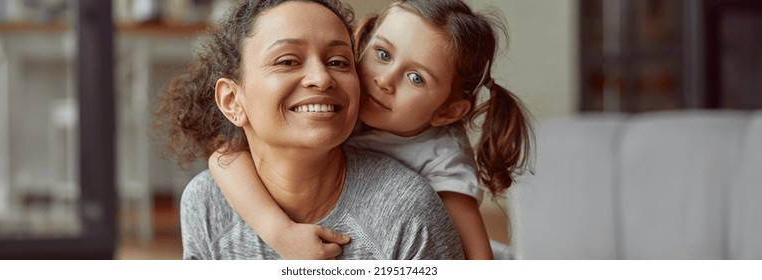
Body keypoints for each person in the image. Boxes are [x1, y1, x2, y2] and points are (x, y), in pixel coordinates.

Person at [209, 0, 533, 260]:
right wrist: (280, 232)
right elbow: (224, 157)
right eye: (382, 54)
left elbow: (478, 259)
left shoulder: (443, 160)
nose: (384, 80)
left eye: (416, 78)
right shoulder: (338, 102)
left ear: (447, 111)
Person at [155, 0, 465, 260]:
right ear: (232, 100)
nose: (322, 77)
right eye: (288, 61)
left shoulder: (407, 211)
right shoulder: (207, 203)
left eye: (339, 62)